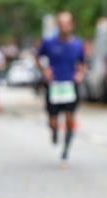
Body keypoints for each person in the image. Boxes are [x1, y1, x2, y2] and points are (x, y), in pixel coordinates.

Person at [36, 11, 86, 162]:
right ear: (58, 25)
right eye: (61, 23)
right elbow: (38, 57)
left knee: (70, 119)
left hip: (70, 85)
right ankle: (54, 131)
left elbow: (83, 64)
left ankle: (66, 149)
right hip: (54, 85)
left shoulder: (78, 44)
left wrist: (80, 75)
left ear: (72, 25)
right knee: (53, 120)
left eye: (67, 23)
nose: (64, 26)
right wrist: (45, 71)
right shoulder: (49, 42)